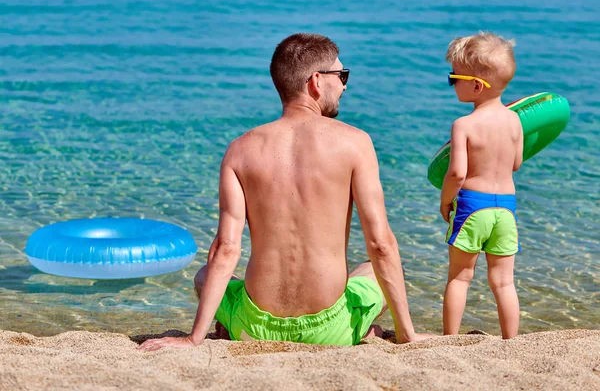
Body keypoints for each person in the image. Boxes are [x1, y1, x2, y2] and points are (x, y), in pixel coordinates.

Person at [140, 33, 428, 350]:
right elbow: (381, 244)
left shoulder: (239, 150)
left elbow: (226, 248)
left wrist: (195, 339)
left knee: (205, 274)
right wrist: (408, 335)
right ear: (316, 81)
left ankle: (225, 326)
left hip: (254, 326)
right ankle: (362, 329)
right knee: (377, 268)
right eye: (342, 75)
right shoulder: (355, 143)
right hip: (328, 330)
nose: (345, 85)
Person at [440, 32, 523, 339]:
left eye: (453, 78)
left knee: (460, 278)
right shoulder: (515, 121)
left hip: (474, 206)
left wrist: (445, 201)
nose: (451, 83)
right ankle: (510, 341)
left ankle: (449, 338)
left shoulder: (464, 125)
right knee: (503, 282)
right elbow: (516, 163)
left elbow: (457, 174)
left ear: (476, 86)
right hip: (507, 210)